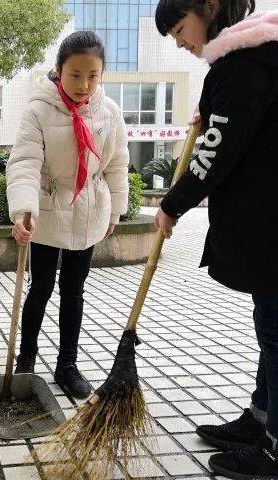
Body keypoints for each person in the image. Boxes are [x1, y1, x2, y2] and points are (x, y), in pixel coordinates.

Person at [154, 1, 278, 478]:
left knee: (276, 332)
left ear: (209, 6)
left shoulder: (245, 62)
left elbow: (218, 149)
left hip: (271, 227)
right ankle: (262, 420)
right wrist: (211, 110)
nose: (181, 43)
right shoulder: (257, 57)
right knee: (270, 326)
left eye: (180, 28)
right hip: (268, 228)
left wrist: (172, 204)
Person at [6, 30, 129, 398]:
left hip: (90, 209)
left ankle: (67, 365)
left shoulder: (110, 112)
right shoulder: (39, 109)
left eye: (93, 75)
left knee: (74, 290)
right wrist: (23, 209)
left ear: (102, 74)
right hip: (46, 210)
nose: (84, 84)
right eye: (75, 75)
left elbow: (118, 164)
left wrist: (116, 212)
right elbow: (25, 162)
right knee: (40, 288)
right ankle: (26, 359)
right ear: (59, 71)